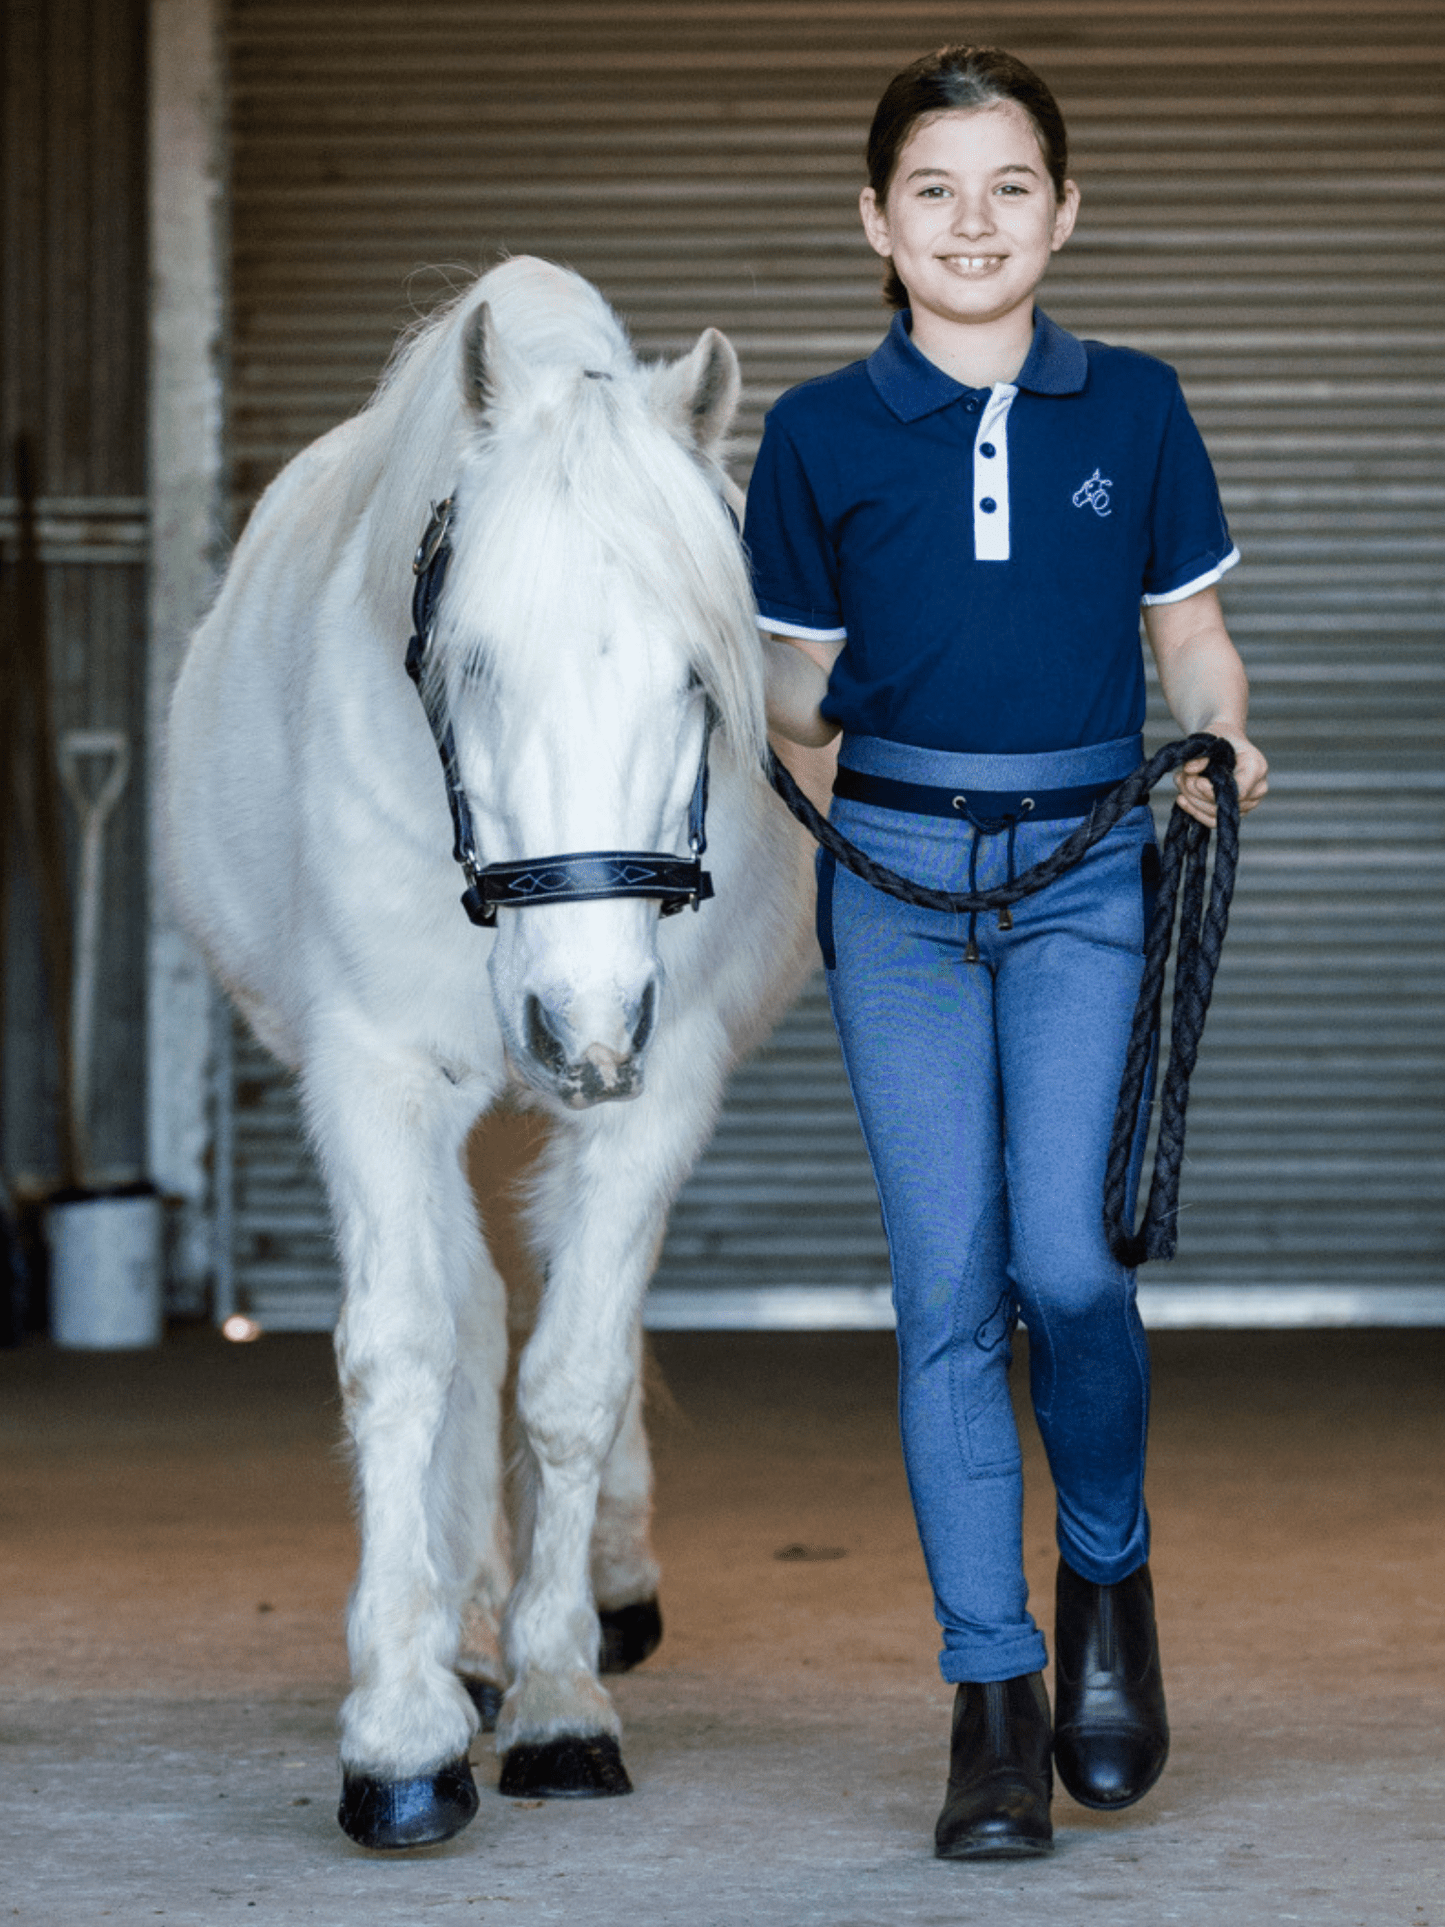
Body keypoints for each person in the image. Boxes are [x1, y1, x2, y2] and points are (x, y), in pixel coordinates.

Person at [745, 46, 1269, 1860]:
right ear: (876, 222)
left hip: (1085, 864)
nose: (975, 223)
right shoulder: (814, 433)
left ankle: (1107, 1568)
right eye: (936, 192)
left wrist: (1218, 730)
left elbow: (1190, 639)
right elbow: (792, 688)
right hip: (889, 871)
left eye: (1011, 187)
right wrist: (765, 677)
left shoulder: (1133, 405)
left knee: (1068, 1261)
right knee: (949, 1281)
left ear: (1065, 209)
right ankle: (994, 1696)